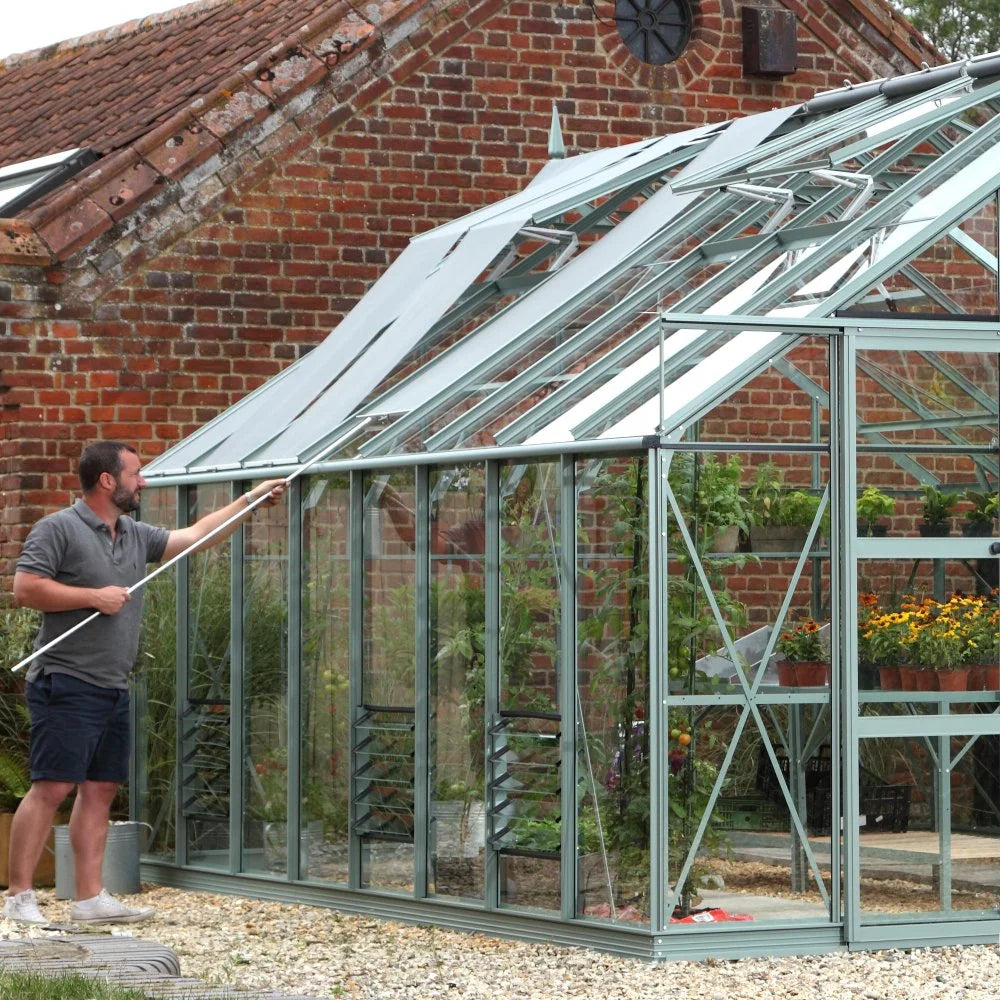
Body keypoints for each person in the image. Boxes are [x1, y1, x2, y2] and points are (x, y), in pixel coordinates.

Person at [5, 441, 285, 925]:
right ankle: (19, 897)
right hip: (65, 680)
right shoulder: (58, 529)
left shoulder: (134, 534)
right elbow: (24, 588)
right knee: (51, 788)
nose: (144, 482)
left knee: (100, 789)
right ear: (108, 480)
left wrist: (251, 499)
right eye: (137, 473)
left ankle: (89, 899)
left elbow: (198, 535)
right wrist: (93, 596)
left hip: (113, 684)